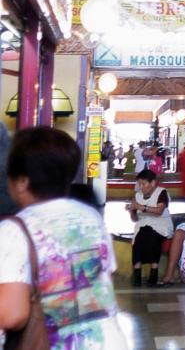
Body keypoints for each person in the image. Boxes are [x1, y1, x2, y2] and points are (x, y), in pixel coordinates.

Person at [0, 127, 127, 348]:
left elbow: (13, 314)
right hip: (108, 341)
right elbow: (104, 279)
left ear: (21, 181)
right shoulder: (89, 217)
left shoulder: (15, 230)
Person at [127, 170, 173, 287]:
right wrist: (131, 211)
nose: (141, 187)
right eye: (139, 184)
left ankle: (154, 272)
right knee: (139, 238)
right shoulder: (137, 196)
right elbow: (135, 219)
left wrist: (140, 207)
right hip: (143, 225)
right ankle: (137, 273)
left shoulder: (161, 193)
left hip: (160, 225)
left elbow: (159, 211)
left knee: (152, 236)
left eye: (144, 184)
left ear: (152, 183)